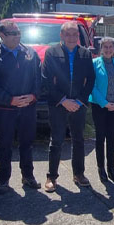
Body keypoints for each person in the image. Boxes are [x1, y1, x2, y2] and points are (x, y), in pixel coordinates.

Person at [0, 21, 41, 191]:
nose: (17, 36)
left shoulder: (30, 52)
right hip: (4, 109)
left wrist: (34, 95)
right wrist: (9, 100)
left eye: (18, 33)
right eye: (13, 33)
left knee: (27, 144)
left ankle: (28, 176)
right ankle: (4, 180)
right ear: (2, 35)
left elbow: (39, 77)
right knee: (5, 145)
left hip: (27, 108)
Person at [41, 21, 96, 192]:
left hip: (78, 104)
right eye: (68, 34)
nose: (72, 37)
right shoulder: (51, 52)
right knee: (56, 140)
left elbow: (91, 80)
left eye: (75, 34)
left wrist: (79, 101)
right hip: (58, 103)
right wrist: (63, 100)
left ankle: (79, 174)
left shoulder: (85, 54)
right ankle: (52, 177)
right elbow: (46, 80)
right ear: (61, 36)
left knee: (78, 140)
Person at [90, 38, 114, 183]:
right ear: (101, 49)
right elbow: (92, 87)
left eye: (111, 46)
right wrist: (105, 103)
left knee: (112, 138)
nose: (108, 49)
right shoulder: (94, 64)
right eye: (105, 47)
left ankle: (111, 168)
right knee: (100, 138)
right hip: (100, 106)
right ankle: (101, 169)